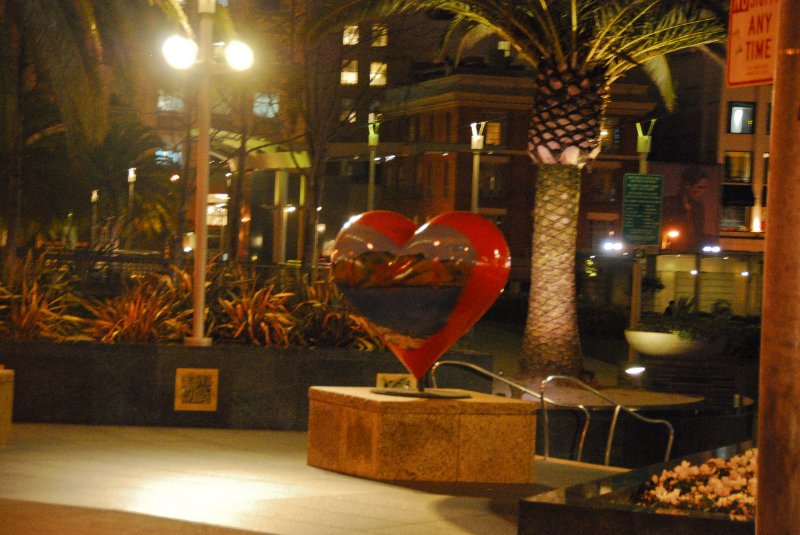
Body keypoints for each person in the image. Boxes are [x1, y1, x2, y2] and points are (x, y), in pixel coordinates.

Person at [661, 166, 710, 251]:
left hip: (690, 252)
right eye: (700, 187)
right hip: (670, 251)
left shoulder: (698, 207)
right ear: (687, 185)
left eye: (705, 188)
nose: (703, 191)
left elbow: (697, 234)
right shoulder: (668, 203)